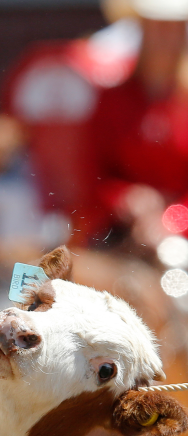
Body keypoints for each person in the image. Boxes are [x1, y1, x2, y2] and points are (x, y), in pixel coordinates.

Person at [86, 0, 188, 252]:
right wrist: (124, 197)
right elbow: (94, 174)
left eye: (175, 26)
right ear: (142, 27)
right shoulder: (111, 100)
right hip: (123, 234)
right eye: (157, 25)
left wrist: (172, 221)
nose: (166, 34)